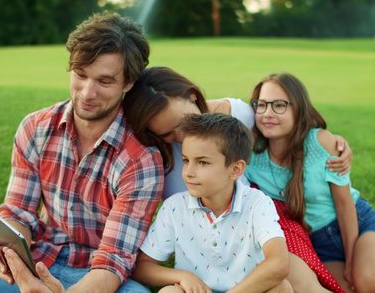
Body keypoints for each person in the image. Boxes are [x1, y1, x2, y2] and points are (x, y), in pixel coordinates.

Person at [0, 11, 163, 293]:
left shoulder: (141, 158)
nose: (86, 92)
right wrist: (13, 259)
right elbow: (19, 214)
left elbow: (113, 260)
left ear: (128, 83)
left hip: (101, 278)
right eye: (80, 75)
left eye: (104, 82)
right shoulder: (35, 128)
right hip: (38, 261)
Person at [123, 66, 350, 292]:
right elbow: (143, 265)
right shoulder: (156, 160)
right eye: (167, 134)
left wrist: (331, 143)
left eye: (184, 121)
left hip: (251, 223)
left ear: (192, 96)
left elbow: (284, 128)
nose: (183, 136)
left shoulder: (237, 115)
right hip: (199, 238)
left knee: (297, 284)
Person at [244, 72, 375, 293]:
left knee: (372, 283)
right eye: (262, 105)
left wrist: (352, 261)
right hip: (316, 242)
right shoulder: (251, 154)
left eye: (279, 105)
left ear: (299, 110)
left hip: (356, 225)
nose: (268, 114)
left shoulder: (321, 143)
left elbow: (344, 205)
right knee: (347, 289)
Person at [132, 113, 292, 293]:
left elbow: (279, 264)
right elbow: (141, 267)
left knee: (281, 288)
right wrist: (183, 276)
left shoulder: (257, 204)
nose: (189, 172)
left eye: (203, 162)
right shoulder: (174, 208)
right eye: (186, 160)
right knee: (170, 292)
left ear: (235, 170)